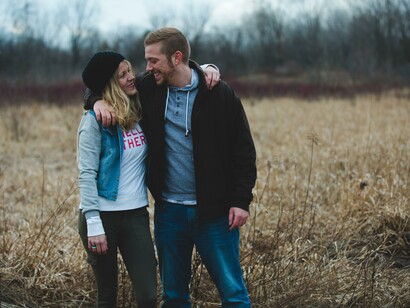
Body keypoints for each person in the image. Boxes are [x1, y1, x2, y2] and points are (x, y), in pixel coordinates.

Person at [87, 27, 257, 307]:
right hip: (169, 213)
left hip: (214, 213)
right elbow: (99, 84)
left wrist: (241, 201)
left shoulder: (218, 93)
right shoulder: (148, 89)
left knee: (234, 295)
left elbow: (244, 151)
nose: (147, 67)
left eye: (153, 60)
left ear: (176, 58)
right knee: (174, 297)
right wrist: (96, 101)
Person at [77, 51, 157, 307]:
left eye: (129, 70)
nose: (131, 77)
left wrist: (208, 68)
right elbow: (86, 174)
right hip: (102, 216)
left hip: (135, 214)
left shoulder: (139, 109)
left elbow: (171, 71)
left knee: (148, 296)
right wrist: (94, 223)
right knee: (108, 296)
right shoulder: (94, 122)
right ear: (110, 84)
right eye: (122, 75)